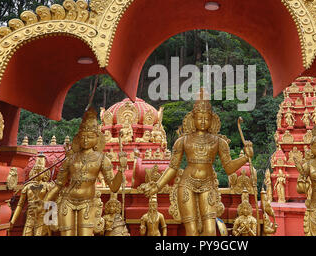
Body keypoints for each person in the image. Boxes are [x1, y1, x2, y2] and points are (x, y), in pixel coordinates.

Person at [143, 89, 253, 236]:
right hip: (187, 184)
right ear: (192, 118)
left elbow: (228, 168)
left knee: (210, 230)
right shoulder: (182, 140)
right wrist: (157, 185)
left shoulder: (218, 142)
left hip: (207, 183)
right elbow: (173, 167)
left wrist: (245, 158)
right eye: (199, 117)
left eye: (206, 118)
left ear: (212, 119)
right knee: (192, 231)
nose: (202, 121)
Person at [44, 107, 127, 236]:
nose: (85, 140)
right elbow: (58, 185)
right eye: (82, 137)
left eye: (89, 137)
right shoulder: (71, 159)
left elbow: (114, 187)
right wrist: (48, 210)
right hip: (67, 200)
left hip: (87, 202)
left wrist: (121, 170)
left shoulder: (102, 159)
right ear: (78, 138)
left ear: (97, 138)